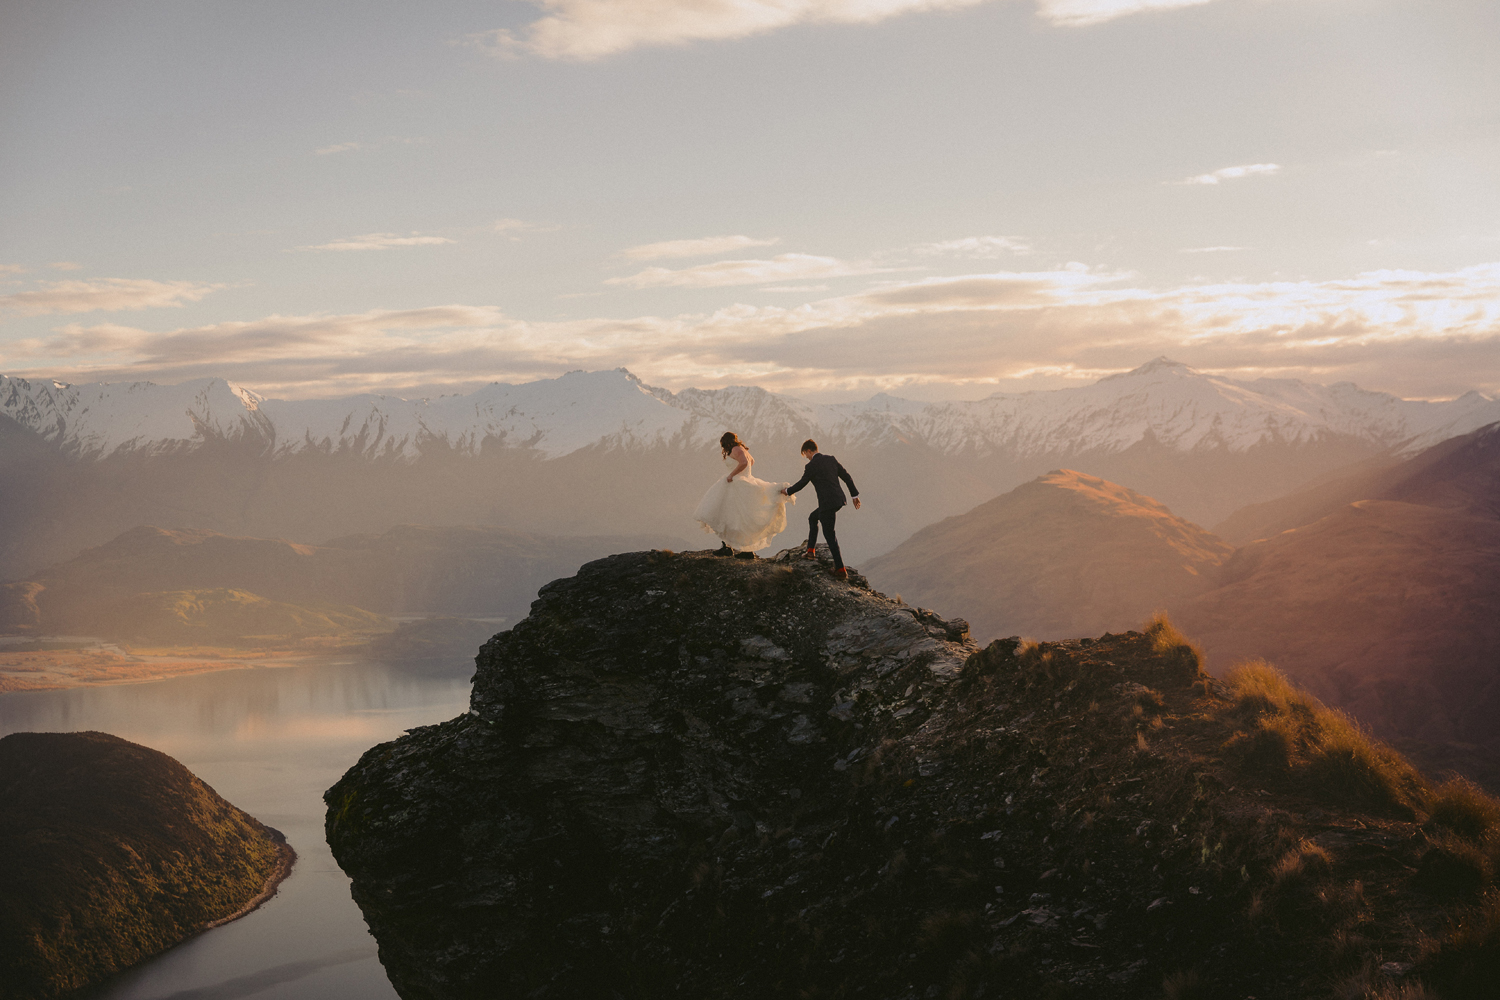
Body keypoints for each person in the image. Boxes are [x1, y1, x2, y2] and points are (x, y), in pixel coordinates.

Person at [692, 432, 794, 557]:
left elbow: (745, 462)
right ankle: (736, 548)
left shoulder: (735, 449)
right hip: (741, 482)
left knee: (729, 514)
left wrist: (733, 475)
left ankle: (731, 548)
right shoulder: (741, 448)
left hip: (737, 484)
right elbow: (752, 461)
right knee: (734, 516)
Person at [781, 439, 860, 579]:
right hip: (838, 500)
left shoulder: (811, 466)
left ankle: (840, 569)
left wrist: (787, 491)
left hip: (827, 503)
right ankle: (810, 551)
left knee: (830, 535)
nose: (806, 457)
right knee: (813, 517)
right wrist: (854, 495)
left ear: (809, 451)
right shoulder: (831, 459)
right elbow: (847, 477)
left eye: (805, 454)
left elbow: (802, 483)